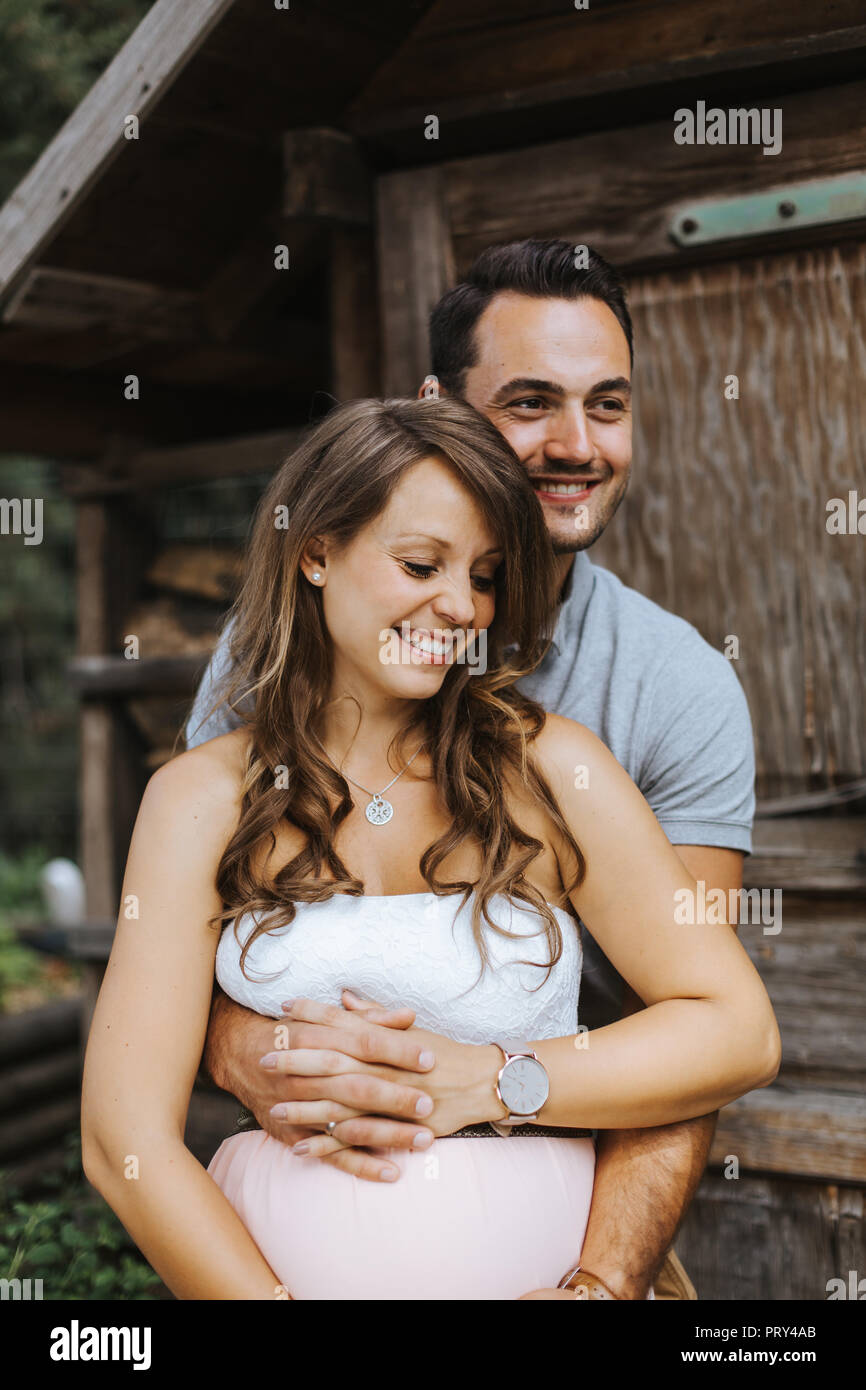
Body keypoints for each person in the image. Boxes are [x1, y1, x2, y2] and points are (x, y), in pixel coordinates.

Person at [81, 393, 780, 1300]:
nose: (458, 607)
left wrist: (496, 1081)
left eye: (484, 577)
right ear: (316, 551)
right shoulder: (200, 798)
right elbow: (120, 1139)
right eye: (421, 563)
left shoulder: (552, 771)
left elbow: (736, 1030)